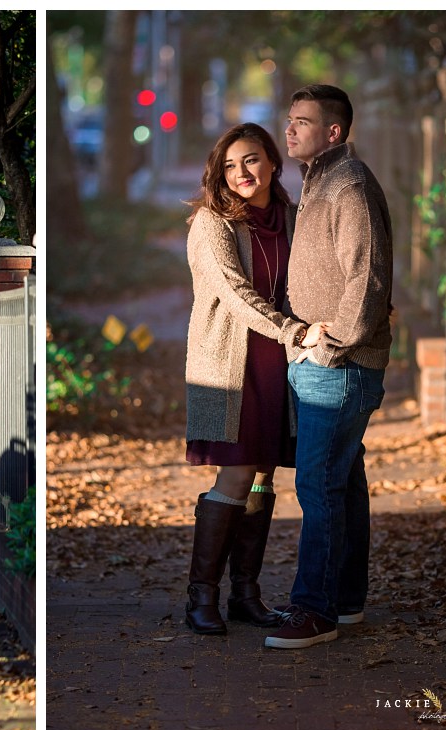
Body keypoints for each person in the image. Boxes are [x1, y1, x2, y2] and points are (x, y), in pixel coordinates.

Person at [183, 122, 326, 635]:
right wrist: (295, 331)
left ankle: (246, 593)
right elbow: (234, 292)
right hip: (229, 361)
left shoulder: (290, 216)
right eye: (229, 164)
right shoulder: (212, 223)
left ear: (271, 162)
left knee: (264, 474)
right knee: (237, 473)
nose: (241, 172)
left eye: (251, 160)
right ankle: (202, 596)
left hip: (283, 361)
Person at [264, 84, 393, 649]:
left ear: (334, 132)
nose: (289, 129)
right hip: (323, 362)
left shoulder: (350, 184)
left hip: (338, 366)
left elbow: (367, 278)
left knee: (318, 486)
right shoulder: (317, 182)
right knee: (342, 483)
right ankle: (345, 602)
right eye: (289, 120)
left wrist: (330, 346)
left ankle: (313, 611)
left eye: (303, 122)